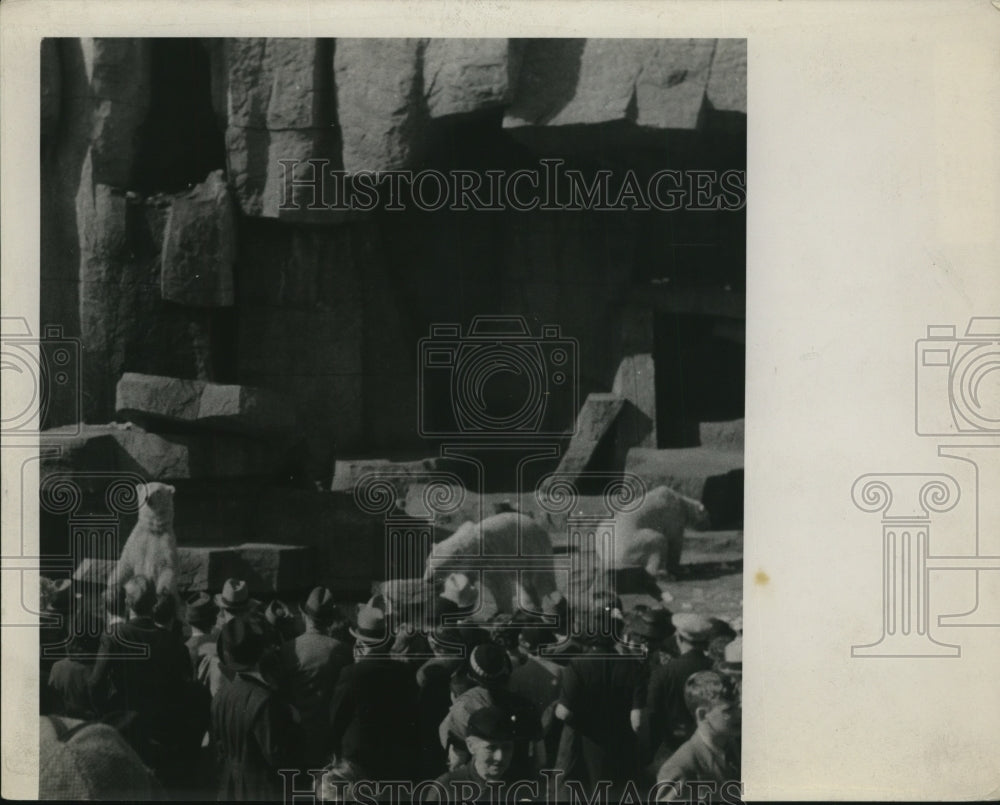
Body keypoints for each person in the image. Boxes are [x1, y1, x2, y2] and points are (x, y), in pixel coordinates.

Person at [88, 575, 192, 774]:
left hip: (124, 727)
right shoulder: (174, 642)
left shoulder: (114, 636)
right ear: (154, 603)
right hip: (162, 730)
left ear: (127, 602)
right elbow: (183, 688)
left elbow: (95, 683)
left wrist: (106, 714)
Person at [553, 605, 649, 796]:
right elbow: (637, 722)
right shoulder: (635, 667)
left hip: (585, 745)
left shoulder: (577, 666)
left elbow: (564, 712)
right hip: (621, 746)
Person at [211, 615, 299, 801]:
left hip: (229, 788)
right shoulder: (264, 699)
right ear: (260, 653)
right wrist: (294, 723)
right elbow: (276, 755)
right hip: (258, 790)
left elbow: (219, 746)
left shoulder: (221, 694)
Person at [329, 605, 420, 782]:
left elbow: (336, 717)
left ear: (360, 642)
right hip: (393, 755)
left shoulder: (351, 673)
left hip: (358, 757)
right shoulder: (403, 670)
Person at [438, 642, 543, 778]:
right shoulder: (526, 705)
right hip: (519, 785)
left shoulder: (464, 706)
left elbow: (457, 761)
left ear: (472, 673)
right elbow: (540, 759)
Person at [280, 586, 353, 771]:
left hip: (295, 735)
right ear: (330, 620)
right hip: (329, 736)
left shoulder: (288, 649)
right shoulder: (342, 650)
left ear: (304, 615)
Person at [654, 671, 741, 803]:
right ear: (702, 715)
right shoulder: (680, 769)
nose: (739, 715)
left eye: (738, 707)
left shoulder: (735, 747)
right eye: (728, 710)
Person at [645, 613, 716, 771]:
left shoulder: (663, 673)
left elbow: (652, 716)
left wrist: (647, 755)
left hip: (673, 749)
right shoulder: (716, 669)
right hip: (711, 748)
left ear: (679, 639)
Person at [429, 705, 538, 803]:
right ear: (471, 746)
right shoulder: (447, 788)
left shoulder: (522, 787)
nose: (499, 757)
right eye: (491, 748)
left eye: (507, 747)